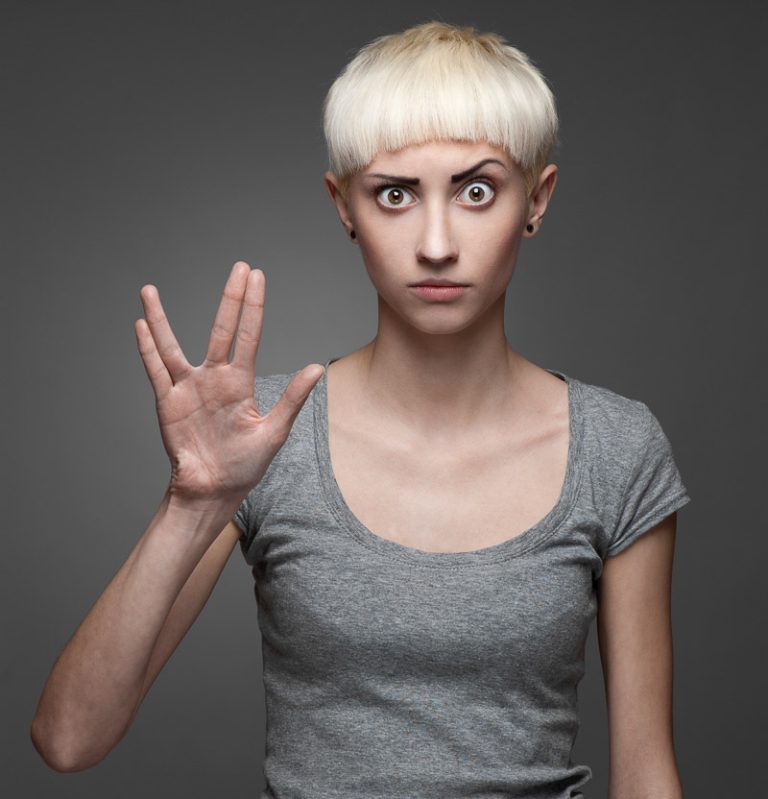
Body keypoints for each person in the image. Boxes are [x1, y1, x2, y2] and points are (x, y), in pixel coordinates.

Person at [31, 20, 691, 798]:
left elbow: (647, 773)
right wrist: (194, 501)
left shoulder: (617, 446)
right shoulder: (264, 433)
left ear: (536, 200)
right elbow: (69, 739)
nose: (437, 242)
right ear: (343, 205)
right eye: (395, 194)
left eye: (476, 190)